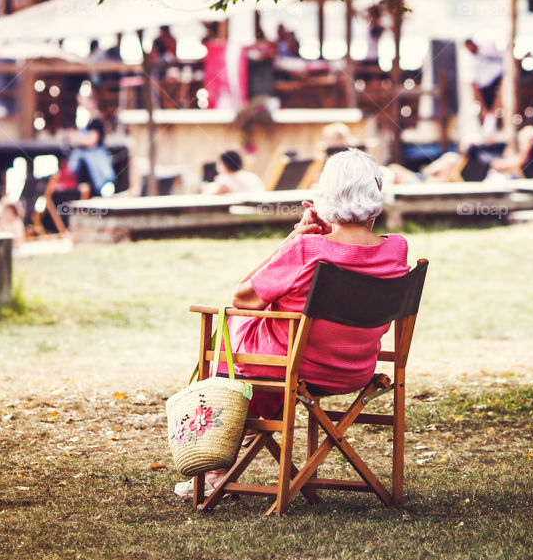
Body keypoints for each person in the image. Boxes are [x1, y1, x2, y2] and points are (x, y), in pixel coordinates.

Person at [175, 148, 409, 497]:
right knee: (263, 346)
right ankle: (230, 459)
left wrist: (295, 238)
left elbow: (243, 298)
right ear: (375, 196)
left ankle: (219, 467)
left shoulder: (307, 250)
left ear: (326, 197)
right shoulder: (396, 250)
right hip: (355, 372)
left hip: (295, 371)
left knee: (239, 341)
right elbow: (353, 250)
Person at [65, 93, 115, 199]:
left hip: (96, 162)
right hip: (88, 163)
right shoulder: (89, 121)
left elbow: (92, 140)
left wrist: (75, 137)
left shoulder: (96, 121)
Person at [464, 39, 504, 135]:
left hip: (495, 81)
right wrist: (482, 107)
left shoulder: (488, 50)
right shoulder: (469, 62)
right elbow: (473, 84)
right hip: (484, 87)